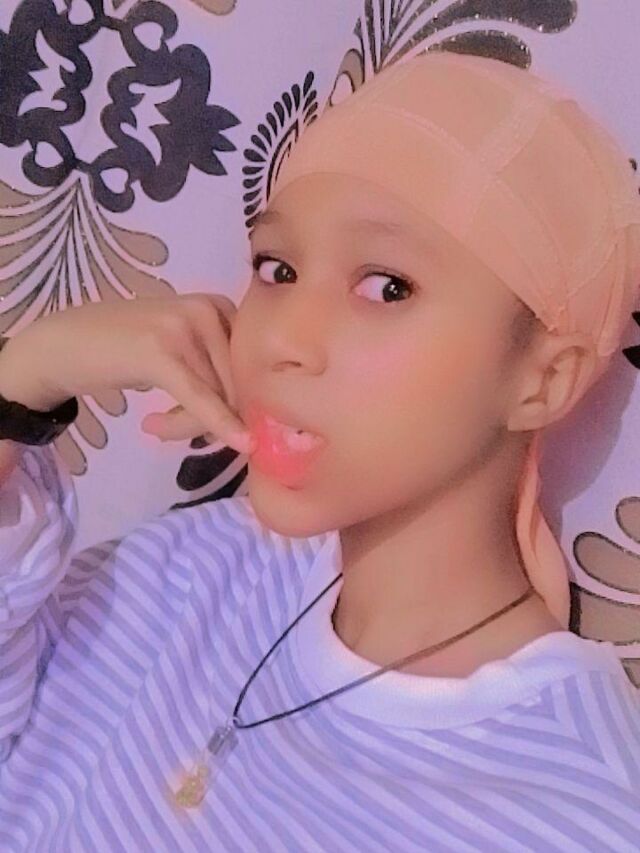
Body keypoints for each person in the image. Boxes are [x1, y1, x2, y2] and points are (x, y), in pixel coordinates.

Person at [1, 50, 640, 852]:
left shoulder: (581, 812)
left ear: (544, 379)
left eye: (386, 286)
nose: (282, 340)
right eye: (277, 268)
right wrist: (23, 382)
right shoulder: (191, 571)